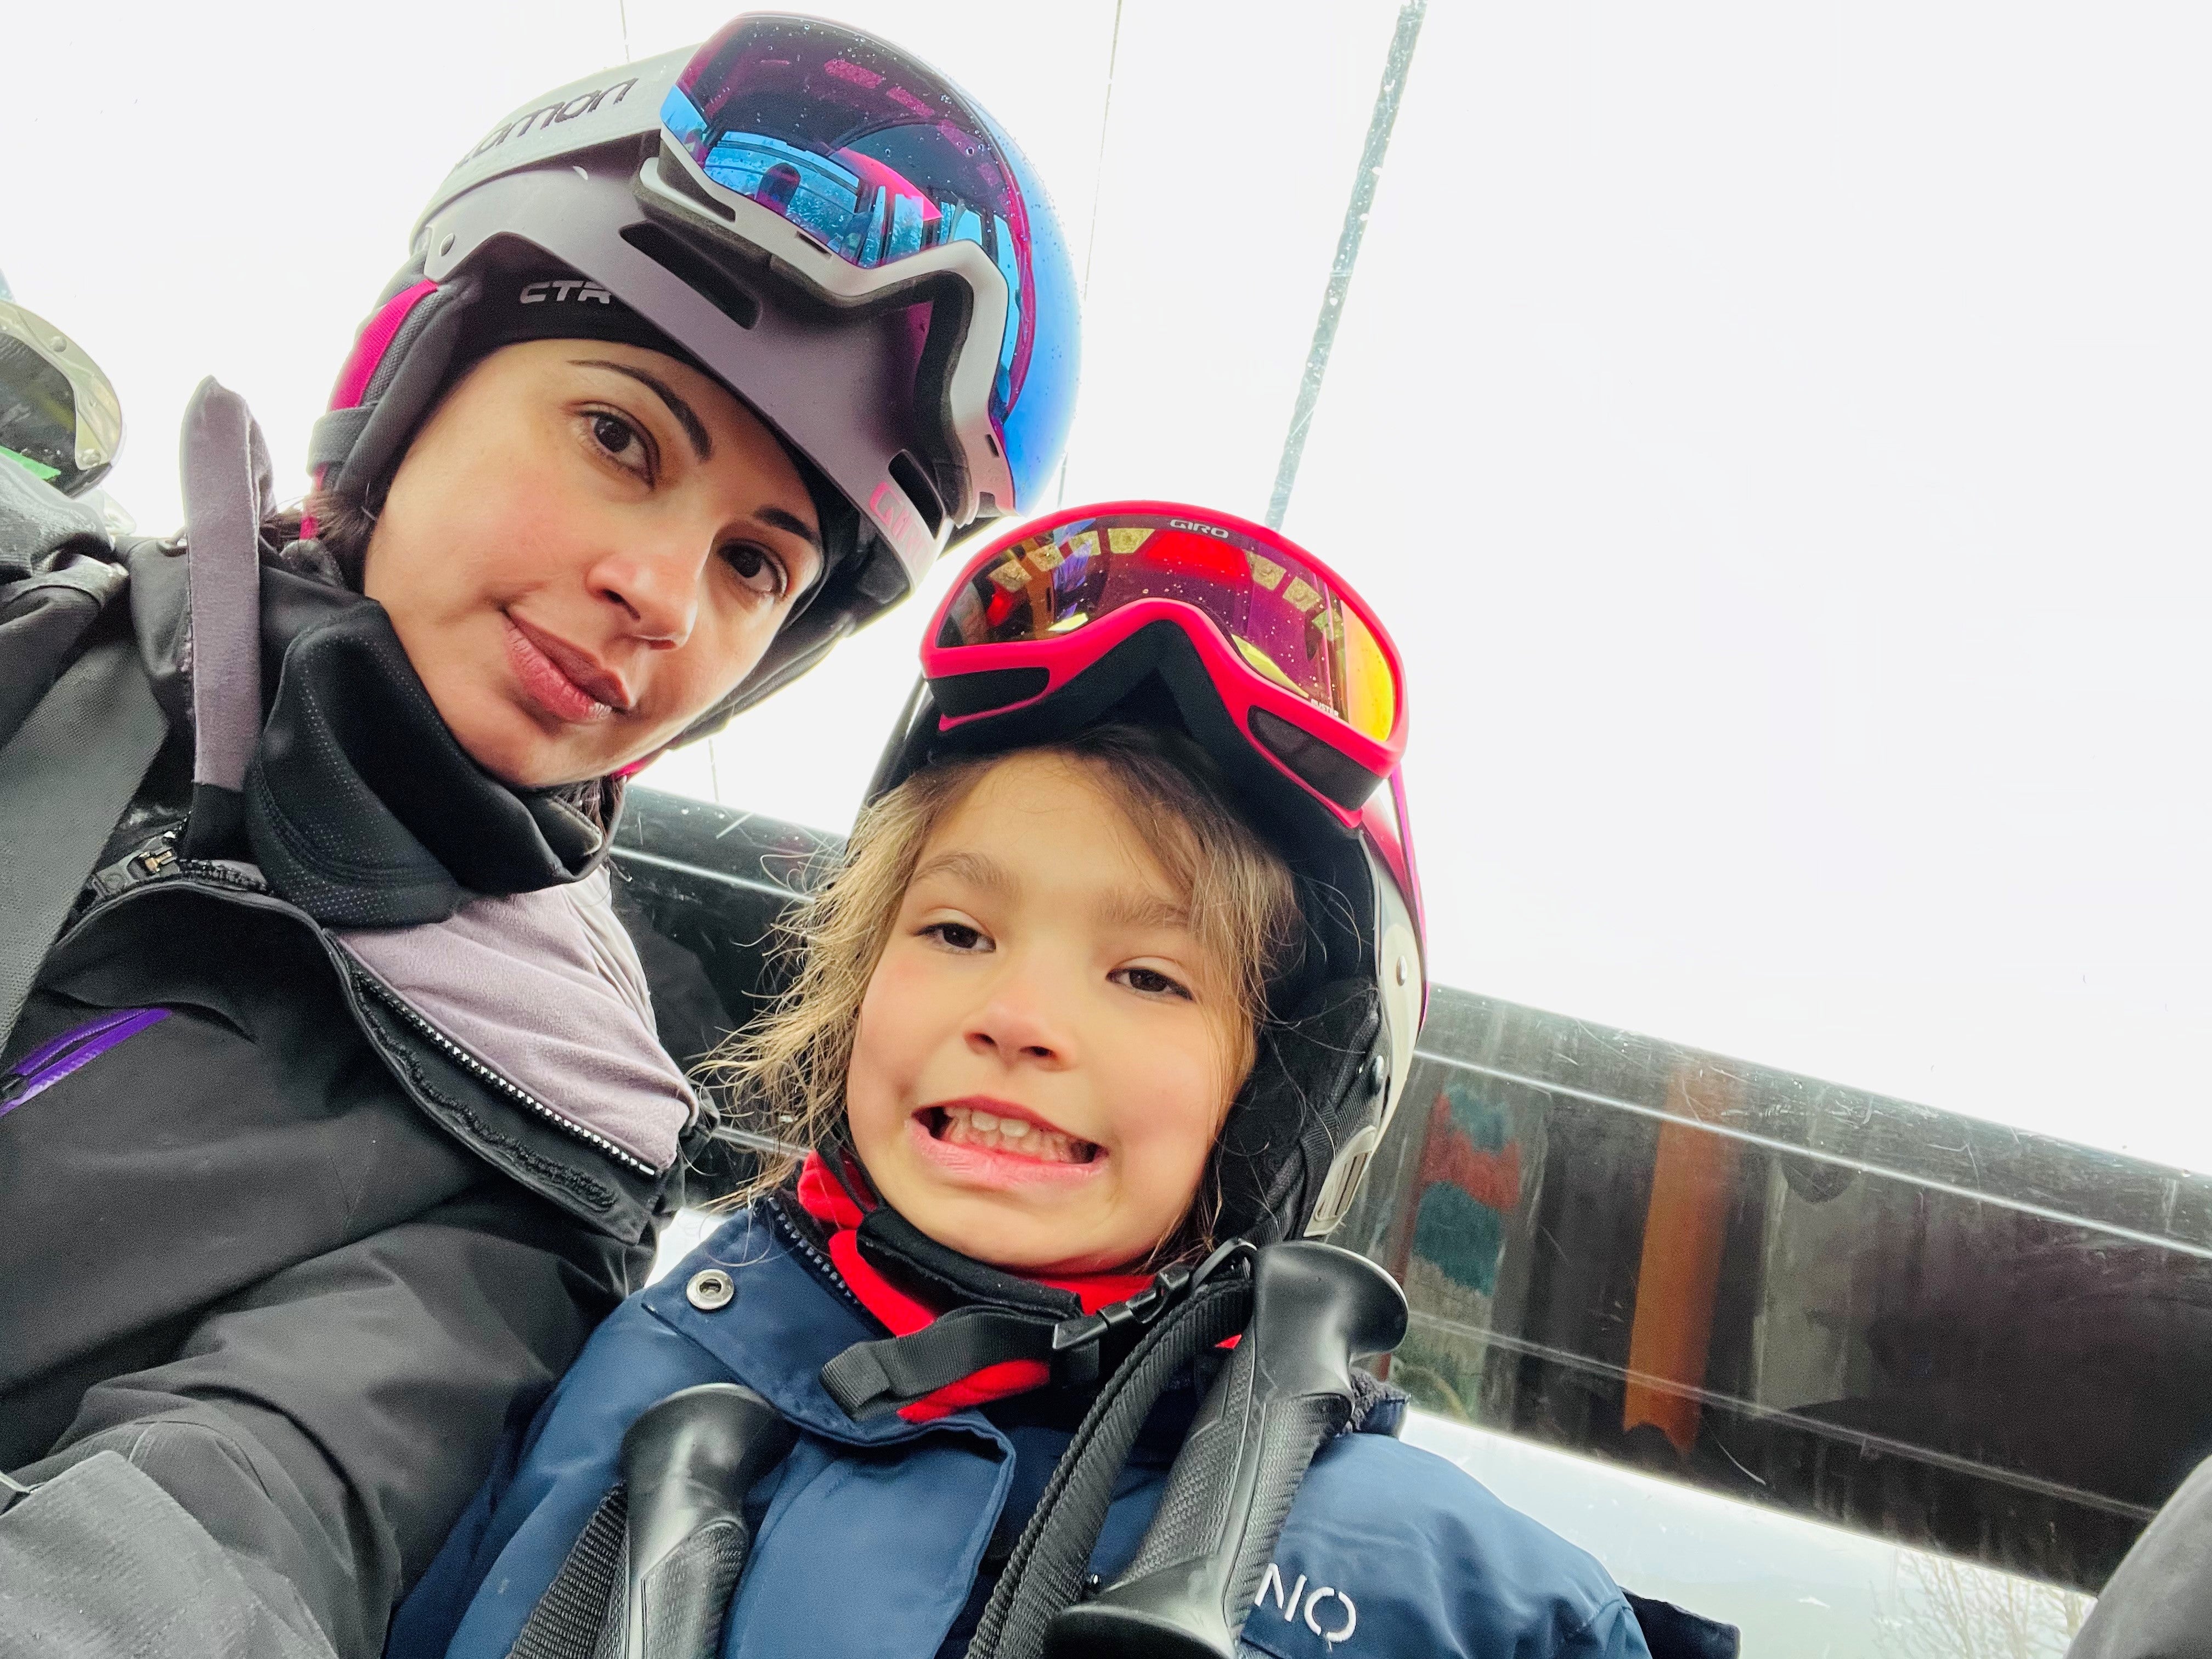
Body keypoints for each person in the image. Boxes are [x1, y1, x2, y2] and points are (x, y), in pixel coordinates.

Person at [0, 16, 1076, 1659]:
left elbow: (244, 1521)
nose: (660, 596)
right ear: (416, 382)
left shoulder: (534, 1138)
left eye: (753, 569)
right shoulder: (37, 641)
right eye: (620, 438)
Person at [385, 503, 1658, 1659]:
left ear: (1280, 1097)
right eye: (957, 934)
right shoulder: (607, 1381)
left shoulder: (1463, 1601)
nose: (1020, 1019)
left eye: (1151, 977)